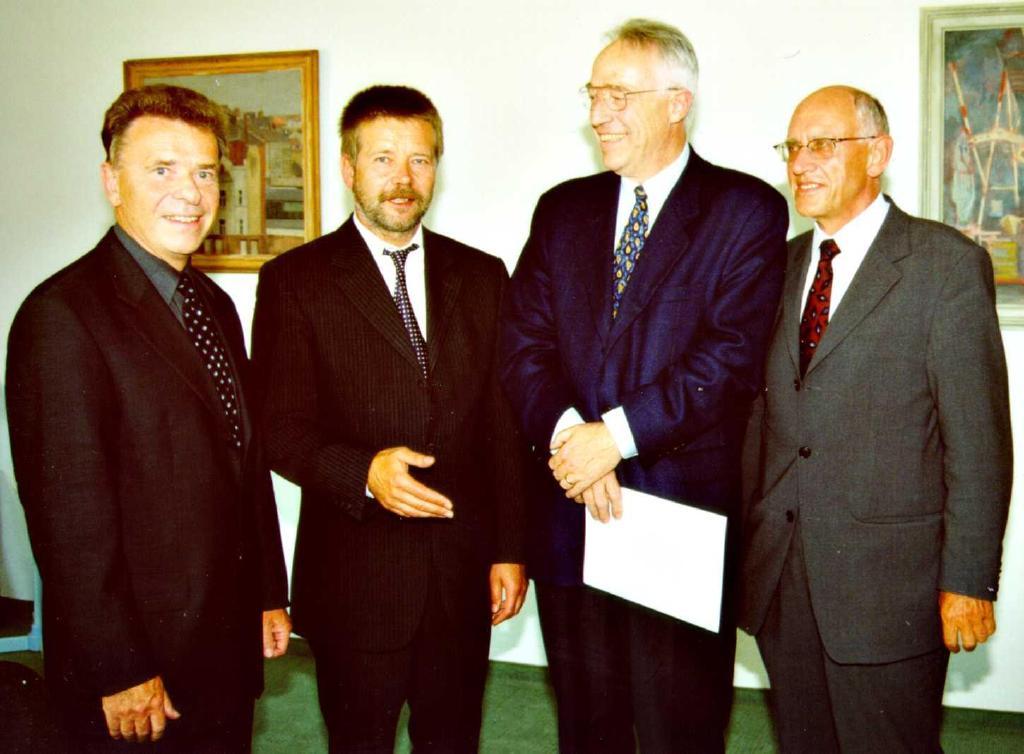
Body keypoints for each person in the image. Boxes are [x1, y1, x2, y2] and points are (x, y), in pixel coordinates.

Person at [500, 18, 788, 752]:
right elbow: (523, 344)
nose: (599, 114)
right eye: (594, 94)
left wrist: (615, 439)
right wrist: (575, 440)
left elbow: (728, 358)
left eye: (619, 96)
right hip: (571, 512)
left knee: (676, 730)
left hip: (677, 521)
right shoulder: (561, 209)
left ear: (677, 102)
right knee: (586, 729)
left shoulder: (745, 210)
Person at [5, 84, 291, 752]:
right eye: (162, 170)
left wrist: (266, 593)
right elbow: (69, 520)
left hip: (224, 646)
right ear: (111, 181)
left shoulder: (214, 305)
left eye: (205, 173)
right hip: (138, 670)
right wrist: (120, 667)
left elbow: (243, 464)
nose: (189, 193)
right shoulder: (62, 316)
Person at [250, 85, 527, 753]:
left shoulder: (483, 275)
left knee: (453, 740)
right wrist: (364, 473)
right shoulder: (295, 280)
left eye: (420, 160)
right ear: (348, 168)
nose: (403, 179)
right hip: (356, 582)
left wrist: (511, 549)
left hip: (461, 578)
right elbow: (279, 428)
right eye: (383, 159)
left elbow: (505, 427)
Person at [739, 85, 1012, 753]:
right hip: (783, 580)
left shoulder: (944, 266)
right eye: (792, 147)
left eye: (822, 145)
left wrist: (969, 581)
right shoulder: (777, 267)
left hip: (890, 589)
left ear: (877, 153)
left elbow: (978, 443)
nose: (800, 163)